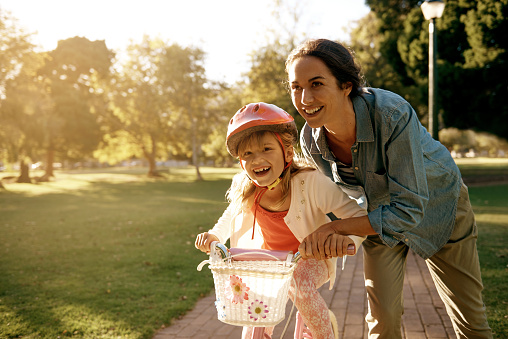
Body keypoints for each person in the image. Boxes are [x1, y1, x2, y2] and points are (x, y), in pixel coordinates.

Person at [285, 38, 493, 339]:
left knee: (469, 322)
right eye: (296, 87)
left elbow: (409, 208)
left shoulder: (391, 113)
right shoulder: (310, 139)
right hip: (379, 216)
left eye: (316, 84)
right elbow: (327, 199)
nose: (304, 98)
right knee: (382, 323)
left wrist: (339, 229)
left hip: (440, 206)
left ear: (346, 85)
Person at [195, 102, 367, 339]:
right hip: (270, 263)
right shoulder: (246, 189)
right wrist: (215, 235)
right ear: (241, 161)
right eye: (248, 154)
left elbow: (356, 215)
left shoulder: (311, 183)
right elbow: (230, 215)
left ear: (287, 152)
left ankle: (324, 333)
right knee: (254, 311)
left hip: (310, 258)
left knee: (299, 283)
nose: (257, 159)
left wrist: (346, 241)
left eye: (266, 149)